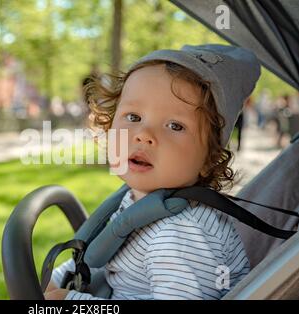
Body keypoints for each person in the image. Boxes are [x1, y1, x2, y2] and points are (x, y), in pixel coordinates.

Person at [45, 44, 261, 300]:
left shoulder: (179, 234)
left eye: (174, 125)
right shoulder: (141, 200)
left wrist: (71, 301)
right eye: (134, 117)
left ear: (209, 158)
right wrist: (57, 279)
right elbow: (107, 251)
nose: (144, 135)